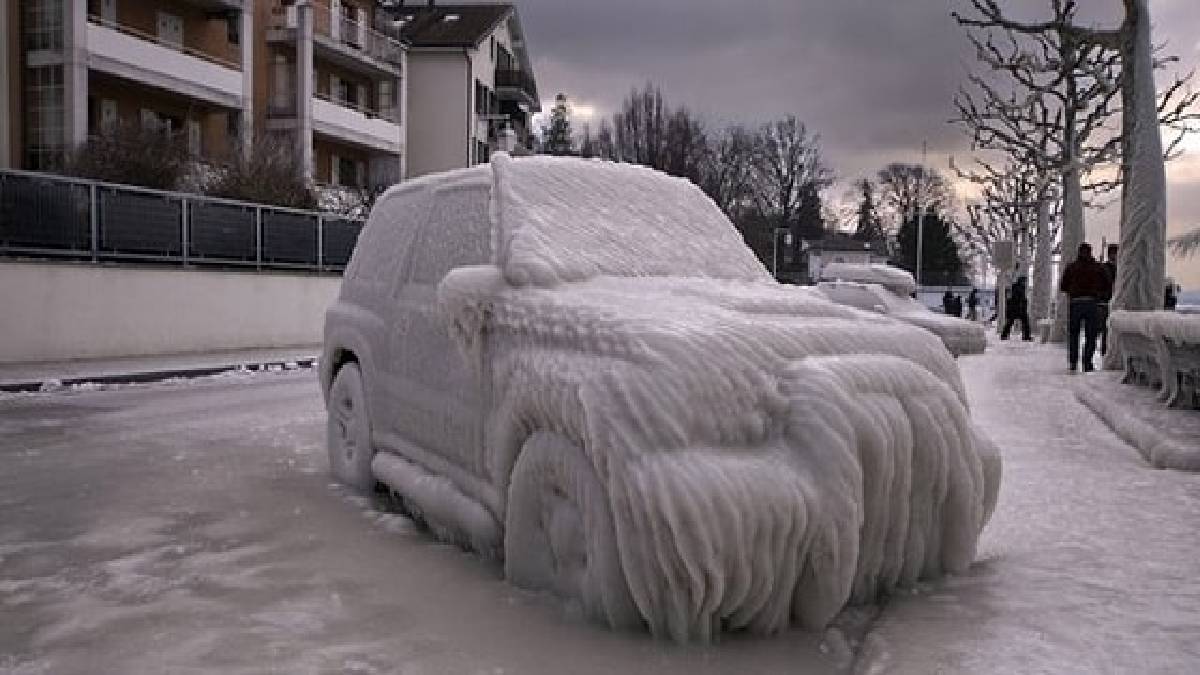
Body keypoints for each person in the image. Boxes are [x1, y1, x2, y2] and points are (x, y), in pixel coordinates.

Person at [1059, 242, 1112, 372]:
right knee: (1091, 334)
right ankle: (1087, 362)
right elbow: (1108, 283)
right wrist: (1099, 294)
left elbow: (1063, 286)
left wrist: (1073, 291)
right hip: (1092, 303)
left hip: (1075, 303)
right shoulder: (1098, 267)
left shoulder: (1071, 267)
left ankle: (1073, 362)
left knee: (1074, 334)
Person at [1098, 244, 1117, 356]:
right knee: (1107, 329)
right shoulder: (1106, 268)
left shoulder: (1104, 267)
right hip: (1106, 302)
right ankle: (1106, 352)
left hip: (1107, 301)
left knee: (1107, 329)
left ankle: (1107, 351)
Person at [1000, 276, 1032, 341]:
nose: (1025, 282)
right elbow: (1018, 297)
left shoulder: (1020, 287)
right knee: (1012, 322)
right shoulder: (1017, 287)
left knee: (1022, 322)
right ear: (1021, 281)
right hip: (1016, 308)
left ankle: (1004, 335)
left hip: (1019, 308)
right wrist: (1024, 301)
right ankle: (1026, 336)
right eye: (1024, 281)